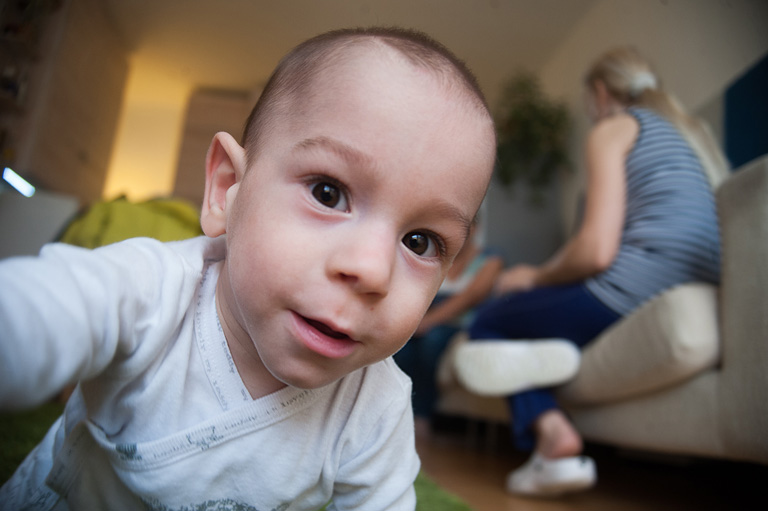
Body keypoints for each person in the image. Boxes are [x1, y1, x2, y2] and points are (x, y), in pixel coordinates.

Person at [0, 27, 497, 510]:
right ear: (226, 190)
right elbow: (38, 313)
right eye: (328, 193)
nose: (372, 270)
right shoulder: (151, 290)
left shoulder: (374, 405)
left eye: (420, 241)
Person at [454, 46, 727, 497]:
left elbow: (596, 251)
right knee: (529, 321)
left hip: (630, 289)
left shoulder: (614, 128)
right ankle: (552, 356)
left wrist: (534, 277)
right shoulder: (695, 136)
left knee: (490, 321)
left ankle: (553, 435)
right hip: (697, 285)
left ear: (600, 94)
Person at [394, 218, 503, 437]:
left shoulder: (490, 259)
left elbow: (472, 296)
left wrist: (427, 322)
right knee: (400, 349)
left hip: (459, 325)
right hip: (422, 322)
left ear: (475, 230)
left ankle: (422, 416)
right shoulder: (436, 256)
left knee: (431, 342)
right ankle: (396, 417)